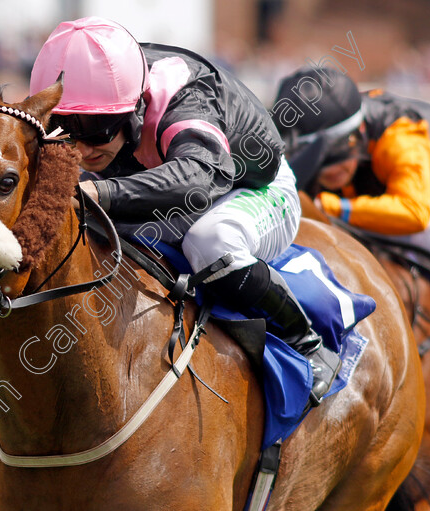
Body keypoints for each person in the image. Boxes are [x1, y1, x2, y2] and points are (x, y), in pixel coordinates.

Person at [28, 16, 339, 404]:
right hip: (167, 184)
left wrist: (100, 191)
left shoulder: (184, 96)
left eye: (97, 130)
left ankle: (307, 341)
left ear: (135, 106)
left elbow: (199, 176)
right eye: (65, 130)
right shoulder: (102, 93)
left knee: (210, 242)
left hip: (250, 186)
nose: (83, 148)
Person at [273, 66, 430, 265]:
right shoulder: (337, 119)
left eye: (337, 154)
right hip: (392, 190)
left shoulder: (400, 138)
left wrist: (331, 206)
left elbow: (415, 213)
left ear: (359, 129)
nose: (330, 171)